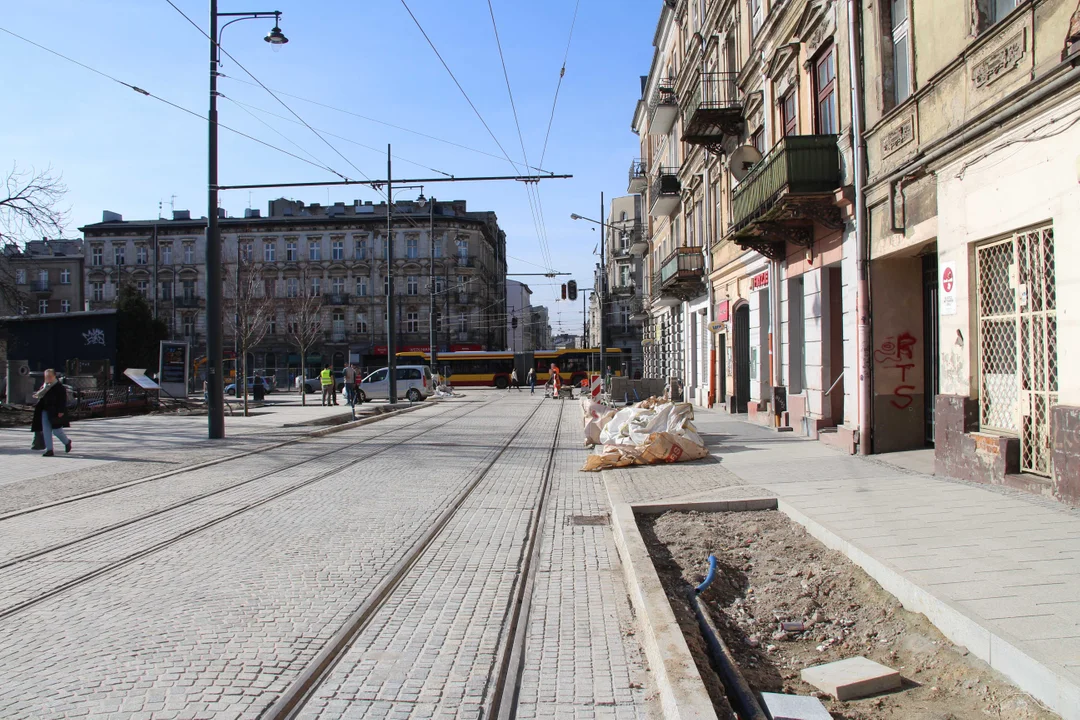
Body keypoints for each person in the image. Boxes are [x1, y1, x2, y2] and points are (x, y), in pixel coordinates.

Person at [32, 369, 71, 457]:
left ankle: (67, 442)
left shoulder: (59, 387)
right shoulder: (44, 386)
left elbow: (63, 400)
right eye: (46, 376)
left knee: (57, 431)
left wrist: (61, 411)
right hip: (45, 411)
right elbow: (41, 397)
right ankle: (49, 450)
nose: (48, 378)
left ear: (54, 376)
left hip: (55, 411)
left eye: (50, 376)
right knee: (46, 431)